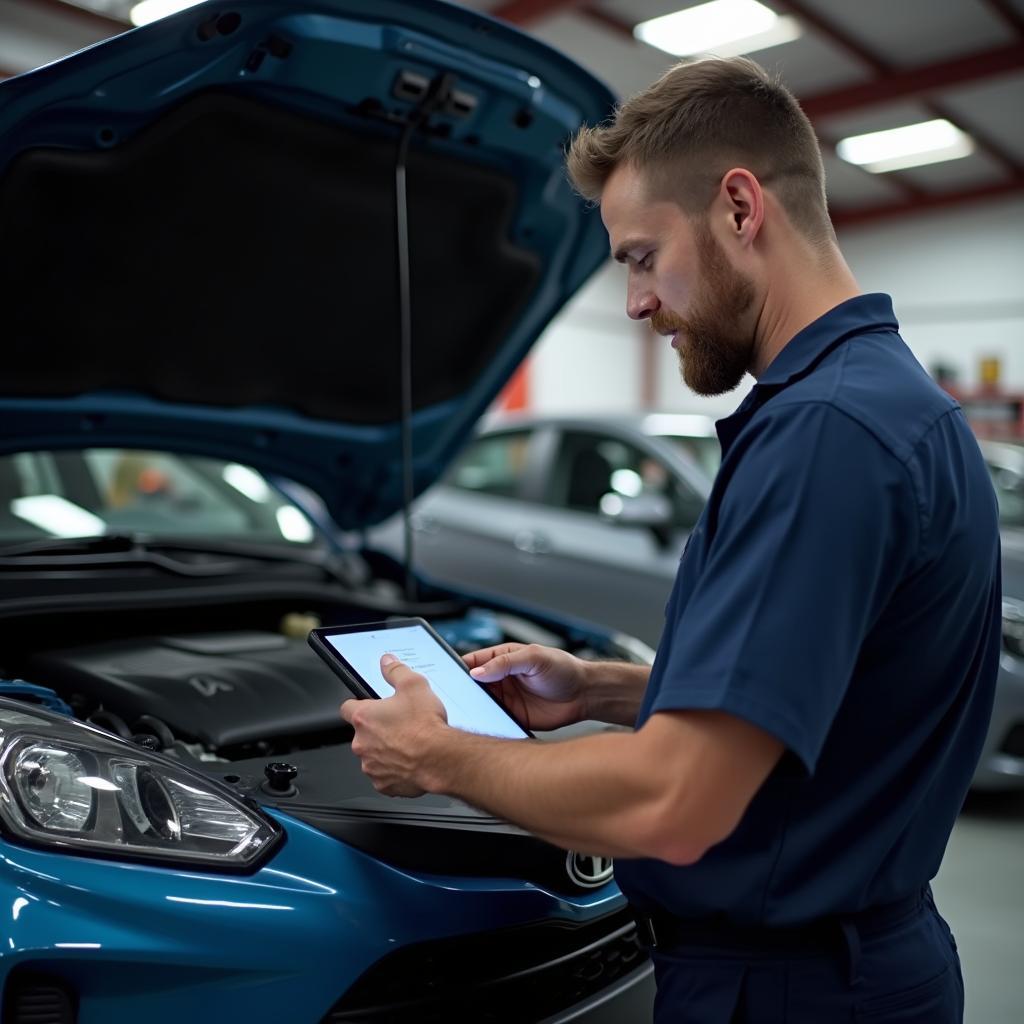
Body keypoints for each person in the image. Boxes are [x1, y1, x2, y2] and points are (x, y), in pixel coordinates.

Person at [340, 56, 1000, 1023]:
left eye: (643, 257)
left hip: (787, 993)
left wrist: (439, 757)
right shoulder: (892, 407)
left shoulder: (827, 437)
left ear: (740, 207)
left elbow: (676, 806)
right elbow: (824, 697)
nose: (636, 303)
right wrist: (603, 687)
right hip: (852, 968)